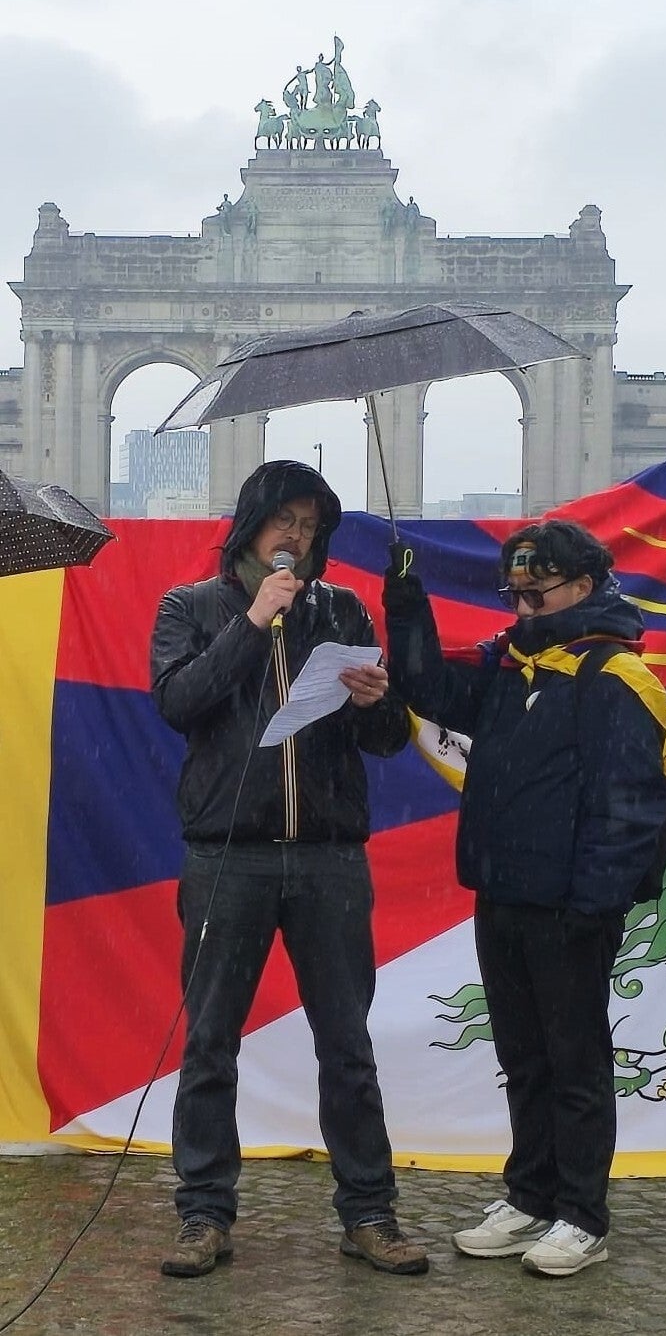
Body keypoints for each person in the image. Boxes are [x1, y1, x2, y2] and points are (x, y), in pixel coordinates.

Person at [152, 460, 428, 1280]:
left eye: (310, 526)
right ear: (252, 523)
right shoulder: (189, 606)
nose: (297, 538)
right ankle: (204, 1214)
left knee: (346, 1045)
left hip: (328, 859)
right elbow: (179, 702)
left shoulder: (341, 609)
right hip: (227, 856)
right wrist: (252, 622)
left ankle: (369, 1211)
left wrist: (379, 701)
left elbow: (385, 740)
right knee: (209, 1043)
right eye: (285, 521)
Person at [383, 520, 666, 1278]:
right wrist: (406, 602)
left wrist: (592, 906)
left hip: (571, 909)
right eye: (512, 593)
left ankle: (582, 1214)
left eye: (535, 593)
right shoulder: (511, 664)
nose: (520, 607)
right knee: (524, 1058)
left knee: (575, 1063)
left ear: (582, 586)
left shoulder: (615, 676)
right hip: (502, 895)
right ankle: (531, 1196)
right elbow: (431, 691)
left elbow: (631, 807)